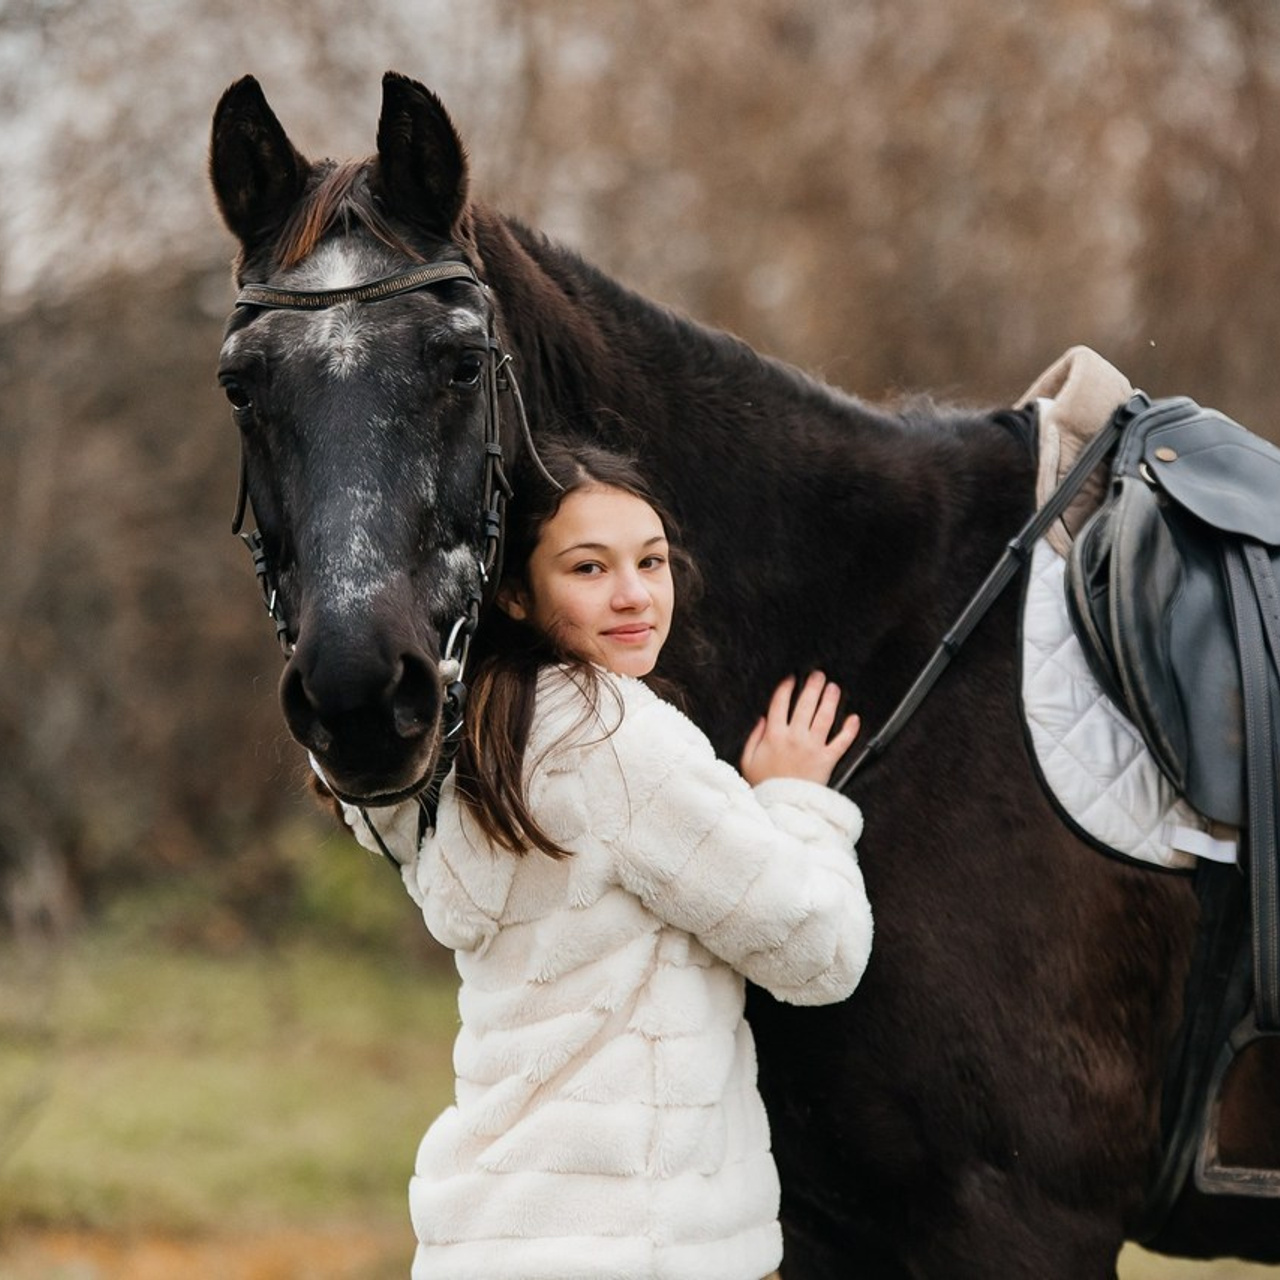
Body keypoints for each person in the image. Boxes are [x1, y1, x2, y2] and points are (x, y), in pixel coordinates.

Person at [338, 442, 875, 1280]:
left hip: (487, 1240)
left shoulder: (464, 739)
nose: (634, 595)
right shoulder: (615, 736)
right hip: (635, 1244)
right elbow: (821, 953)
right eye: (589, 568)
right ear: (515, 592)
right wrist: (797, 802)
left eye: (651, 561)